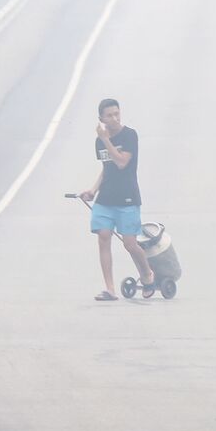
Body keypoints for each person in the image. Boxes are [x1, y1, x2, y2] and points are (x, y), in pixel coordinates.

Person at [80, 98, 156, 301]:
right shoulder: (99, 141)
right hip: (105, 198)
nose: (114, 118)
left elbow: (122, 162)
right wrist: (93, 190)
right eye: (109, 115)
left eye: (117, 114)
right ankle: (109, 288)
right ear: (101, 119)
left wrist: (106, 140)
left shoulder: (129, 135)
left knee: (130, 244)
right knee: (103, 237)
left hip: (128, 198)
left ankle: (148, 274)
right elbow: (107, 168)